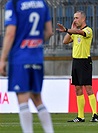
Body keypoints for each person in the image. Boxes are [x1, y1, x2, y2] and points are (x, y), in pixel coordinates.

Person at [0, 0, 54, 132]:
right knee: (37, 99)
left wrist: (2, 59)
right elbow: (49, 32)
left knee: (23, 99)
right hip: (36, 57)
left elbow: (10, 33)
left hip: (20, 58)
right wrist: (34, 42)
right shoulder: (42, 3)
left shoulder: (13, 4)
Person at [57, 11, 98, 122]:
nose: (75, 20)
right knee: (77, 89)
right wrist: (70, 30)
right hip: (76, 62)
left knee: (88, 88)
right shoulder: (75, 32)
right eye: (74, 18)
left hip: (85, 61)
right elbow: (65, 41)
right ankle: (80, 116)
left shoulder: (88, 30)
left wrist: (67, 30)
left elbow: (80, 32)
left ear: (83, 19)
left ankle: (95, 115)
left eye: (77, 18)